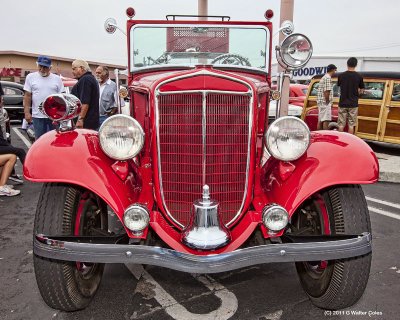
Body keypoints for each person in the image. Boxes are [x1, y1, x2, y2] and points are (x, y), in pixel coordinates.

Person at [23, 55, 65, 139]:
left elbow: (62, 97)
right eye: (40, 66)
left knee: (55, 139)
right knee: (39, 140)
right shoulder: (30, 77)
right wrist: (27, 112)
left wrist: (61, 114)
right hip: (37, 116)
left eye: (45, 67)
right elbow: (27, 96)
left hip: (54, 116)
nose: (42, 69)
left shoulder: (57, 79)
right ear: (37, 65)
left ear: (50, 67)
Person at [337, 57, 365, 134]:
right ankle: (350, 142)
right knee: (351, 125)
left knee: (341, 124)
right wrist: (358, 94)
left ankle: (340, 139)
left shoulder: (341, 75)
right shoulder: (359, 76)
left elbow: (339, 86)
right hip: (353, 103)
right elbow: (362, 90)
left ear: (347, 64)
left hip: (342, 103)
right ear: (356, 65)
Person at [71, 60, 99, 130]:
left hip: (86, 123)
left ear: (82, 68)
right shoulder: (90, 78)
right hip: (90, 122)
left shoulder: (85, 79)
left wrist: (80, 119)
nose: (72, 72)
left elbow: (85, 102)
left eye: (74, 69)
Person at [317, 64, 337, 130]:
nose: (335, 72)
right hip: (325, 102)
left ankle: (319, 134)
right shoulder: (328, 78)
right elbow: (327, 91)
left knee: (320, 120)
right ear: (332, 70)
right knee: (326, 120)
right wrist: (328, 102)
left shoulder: (324, 77)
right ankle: (325, 135)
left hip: (321, 101)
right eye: (335, 70)